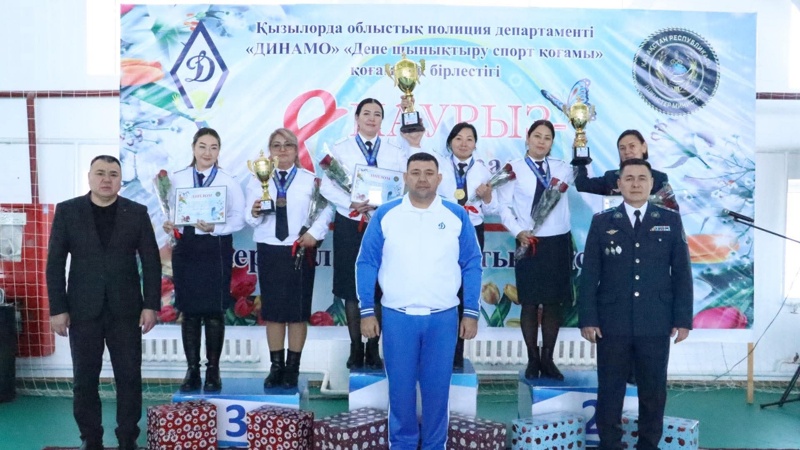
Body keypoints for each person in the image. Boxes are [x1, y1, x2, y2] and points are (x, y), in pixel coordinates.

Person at [357, 152, 482, 450]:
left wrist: (471, 311)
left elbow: (472, 263)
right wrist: (366, 310)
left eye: (428, 173)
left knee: (437, 392)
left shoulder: (456, 215)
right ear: (405, 178)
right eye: (415, 172)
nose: (422, 179)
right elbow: (367, 263)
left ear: (439, 178)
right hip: (397, 318)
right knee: (400, 392)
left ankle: (435, 445)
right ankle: (402, 444)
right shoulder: (385, 215)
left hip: (443, 319)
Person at [46, 155, 161, 450]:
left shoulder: (137, 213)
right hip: (82, 310)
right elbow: (54, 263)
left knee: (129, 378)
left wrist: (151, 305)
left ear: (121, 180)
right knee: (84, 380)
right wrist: (58, 309)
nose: (106, 179)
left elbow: (151, 262)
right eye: (100, 173)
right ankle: (91, 438)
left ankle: (127, 438)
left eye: (113, 174)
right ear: (89, 177)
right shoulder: (68, 211)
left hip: (127, 310)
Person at [578, 158, 693, 450]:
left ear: (652, 184)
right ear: (619, 184)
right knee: (610, 390)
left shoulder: (670, 220)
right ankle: (610, 445)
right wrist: (588, 318)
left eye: (642, 178)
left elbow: (682, 273)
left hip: (655, 321)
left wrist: (682, 320)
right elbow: (589, 274)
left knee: (653, 391)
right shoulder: (602, 222)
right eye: (629, 178)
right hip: (612, 322)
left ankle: (648, 445)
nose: (636, 184)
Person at [319, 98, 406, 370]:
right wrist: (351, 203)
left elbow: (403, 186)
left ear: (382, 120)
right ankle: (356, 347)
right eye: (366, 113)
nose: (371, 118)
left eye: (377, 114)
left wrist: (384, 206)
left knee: (379, 286)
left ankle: (373, 348)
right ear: (356, 118)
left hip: (383, 225)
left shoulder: (394, 152)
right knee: (351, 287)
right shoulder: (340, 149)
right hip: (350, 223)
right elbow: (326, 188)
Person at [245, 128, 334, 388]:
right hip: (270, 249)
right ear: (270, 151)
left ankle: (293, 368)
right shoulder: (257, 180)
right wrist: (254, 212)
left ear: (296, 151)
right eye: (276, 145)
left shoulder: (310, 180)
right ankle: (276, 368)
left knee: (297, 313)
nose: (282, 150)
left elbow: (326, 210)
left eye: (288, 145)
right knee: (273, 313)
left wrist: (314, 234)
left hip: (300, 249)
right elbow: (248, 218)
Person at [162, 127, 245, 393]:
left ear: (219, 151)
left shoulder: (228, 181)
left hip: (215, 247)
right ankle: (192, 371)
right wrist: (169, 224)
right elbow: (169, 211)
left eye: (213, 147)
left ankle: (213, 371)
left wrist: (216, 228)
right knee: (189, 312)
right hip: (186, 248)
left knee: (214, 311)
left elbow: (239, 218)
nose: (207, 152)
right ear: (193, 148)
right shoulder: (177, 179)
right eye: (202, 146)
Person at [497, 119, 575, 381]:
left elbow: (584, 176)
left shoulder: (563, 168)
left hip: (558, 241)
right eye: (537, 136)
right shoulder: (514, 169)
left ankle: (548, 359)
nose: (542, 142)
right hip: (528, 241)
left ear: (552, 143)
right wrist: (518, 231)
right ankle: (532, 359)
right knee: (529, 303)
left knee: (553, 303)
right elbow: (503, 206)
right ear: (527, 138)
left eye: (547, 138)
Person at [438, 122, 494, 368]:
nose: (463, 143)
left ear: (475, 144)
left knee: (465, 288)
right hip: (443, 230)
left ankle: (456, 355)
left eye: (469, 139)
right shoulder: (439, 166)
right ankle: (438, 350)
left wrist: (488, 197)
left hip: (472, 232)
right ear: (450, 141)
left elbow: (492, 209)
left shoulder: (482, 170)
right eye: (459, 138)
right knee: (443, 287)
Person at [574, 129, 669, 196]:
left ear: (644, 147)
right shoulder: (611, 178)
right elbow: (582, 185)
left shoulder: (659, 179)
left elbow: (671, 211)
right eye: (622, 148)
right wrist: (580, 150)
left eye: (632, 146)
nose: (627, 151)